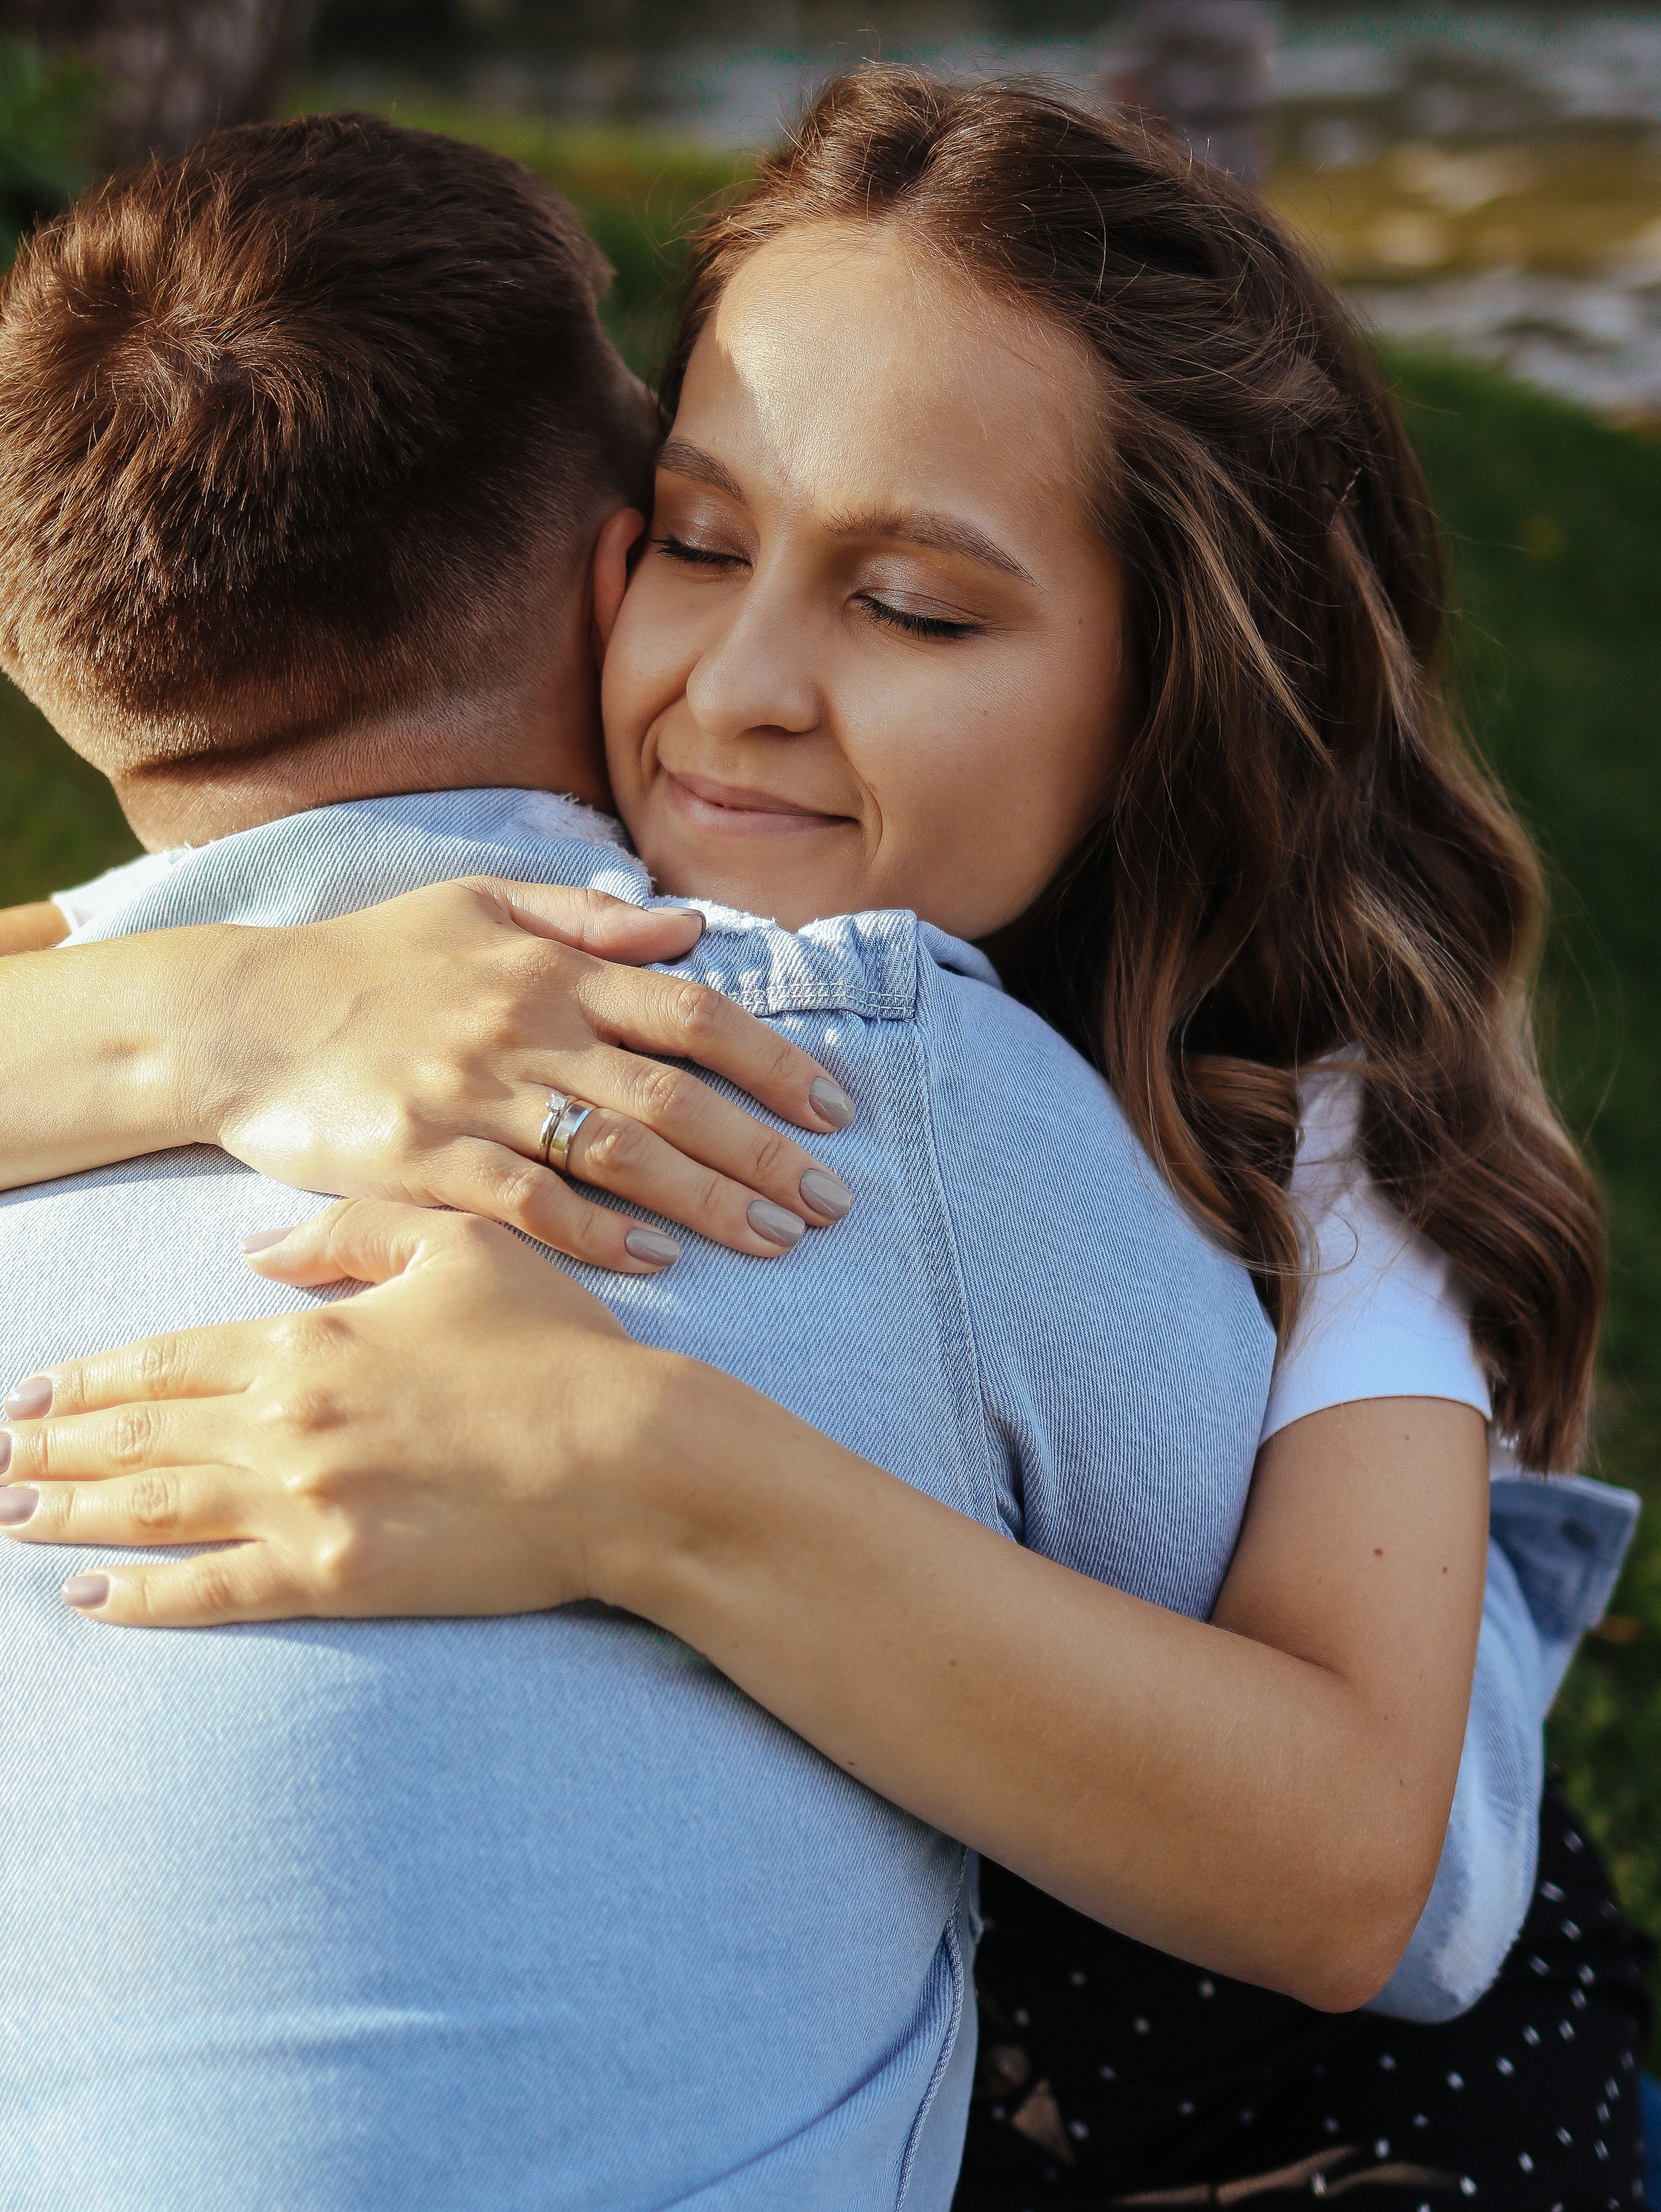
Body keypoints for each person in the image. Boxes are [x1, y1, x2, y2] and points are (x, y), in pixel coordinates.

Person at [0, 75, 1645, 2206]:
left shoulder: (1309, 1146)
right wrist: (232, 1011)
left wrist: (631, 1466)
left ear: (1180, 678)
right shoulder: (441, 967)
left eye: (918, 607)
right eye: (698, 541)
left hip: (1273, 2102)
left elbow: (1368, 1874)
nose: (742, 683)